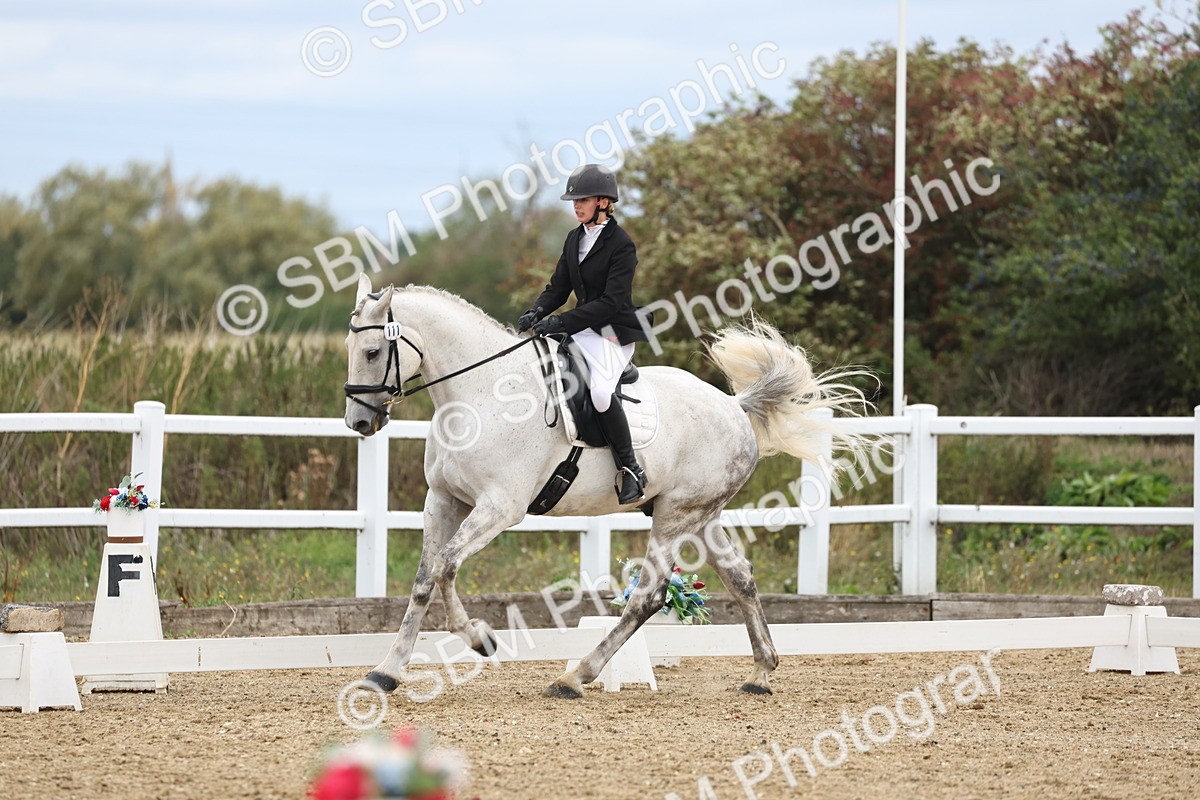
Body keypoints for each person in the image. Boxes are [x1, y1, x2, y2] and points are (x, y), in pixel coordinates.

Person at [517, 164, 649, 504]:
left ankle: (631, 468)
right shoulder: (574, 237)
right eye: (574, 200)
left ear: (603, 202)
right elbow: (558, 287)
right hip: (581, 329)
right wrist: (538, 311)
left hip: (612, 334)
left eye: (583, 200)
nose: (576, 206)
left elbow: (610, 302)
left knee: (603, 393)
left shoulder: (622, 245)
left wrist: (561, 323)